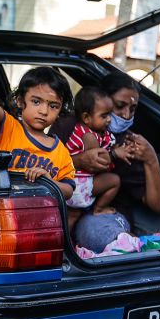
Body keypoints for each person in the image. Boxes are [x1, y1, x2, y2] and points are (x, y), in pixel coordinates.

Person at [52, 71, 160, 226]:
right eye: (119, 106)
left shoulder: (130, 143)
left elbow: (157, 205)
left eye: (133, 109)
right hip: (64, 201)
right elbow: (42, 165)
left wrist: (151, 159)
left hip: (104, 214)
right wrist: (79, 161)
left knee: (100, 232)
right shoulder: (69, 125)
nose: (126, 115)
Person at [0, 67, 75, 199]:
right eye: (36, 102)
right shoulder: (9, 129)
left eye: (53, 106)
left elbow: (68, 191)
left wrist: (49, 183)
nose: (44, 111)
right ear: (19, 101)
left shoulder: (61, 152)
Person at [63, 86, 123, 230]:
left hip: (71, 184)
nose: (109, 119)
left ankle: (64, 245)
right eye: (104, 115)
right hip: (79, 185)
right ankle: (99, 209)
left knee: (72, 215)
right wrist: (116, 153)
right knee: (114, 181)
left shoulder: (90, 130)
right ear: (86, 118)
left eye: (110, 115)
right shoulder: (89, 137)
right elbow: (100, 160)